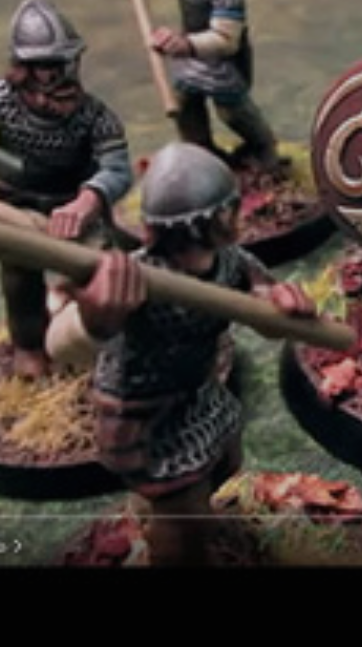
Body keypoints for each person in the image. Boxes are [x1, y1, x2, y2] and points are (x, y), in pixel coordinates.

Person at [57, 142, 315, 565]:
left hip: (198, 391)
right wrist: (96, 313)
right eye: (230, 209)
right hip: (145, 415)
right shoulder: (137, 277)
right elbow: (75, 338)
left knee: (226, 462)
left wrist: (282, 302)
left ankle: (167, 520)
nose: (238, 214)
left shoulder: (229, 262)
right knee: (183, 513)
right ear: (210, 220)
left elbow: (263, 302)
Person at [0, 0, 133, 378]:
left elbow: (117, 170)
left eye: (63, 62)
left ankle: (100, 349)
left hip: (74, 210)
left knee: (99, 274)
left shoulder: (95, 117)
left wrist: (87, 202)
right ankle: (30, 348)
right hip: (13, 205)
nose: (59, 74)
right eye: (47, 66)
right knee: (20, 278)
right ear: (25, 68)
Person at [92, 0, 279, 169]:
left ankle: (264, 150)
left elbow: (226, 39)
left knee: (232, 110)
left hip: (221, 61)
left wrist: (185, 44)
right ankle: (202, 155)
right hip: (188, 56)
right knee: (185, 105)